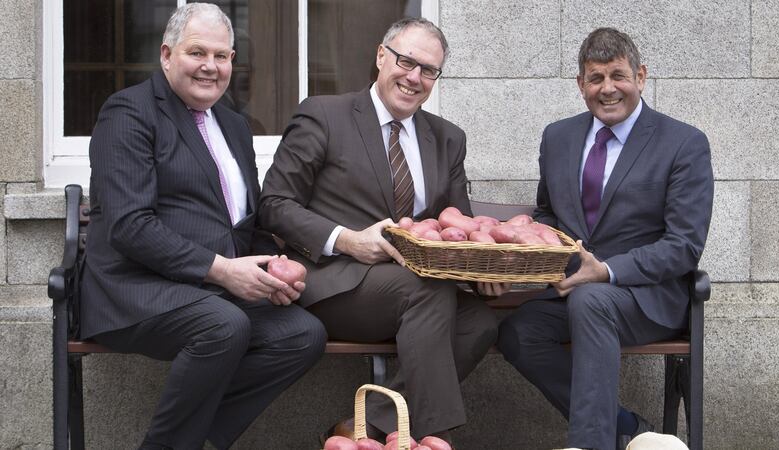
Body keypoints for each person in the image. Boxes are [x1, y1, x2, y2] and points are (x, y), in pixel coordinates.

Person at [79, 4, 326, 449]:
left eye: (223, 55)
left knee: (302, 334)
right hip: (131, 287)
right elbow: (129, 225)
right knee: (223, 325)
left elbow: (241, 224)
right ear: (167, 54)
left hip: (208, 291)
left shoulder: (233, 124)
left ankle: (195, 439)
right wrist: (222, 270)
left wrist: (273, 271)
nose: (211, 67)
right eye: (198, 52)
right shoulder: (128, 112)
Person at [258, 17, 507, 444]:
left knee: (480, 322)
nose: (414, 77)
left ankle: (368, 426)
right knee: (427, 291)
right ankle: (432, 438)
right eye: (406, 61)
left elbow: (458, 225)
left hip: (417, 293)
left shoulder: (447, 138)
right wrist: (348, 239)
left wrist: (482, 269)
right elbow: (274, 205)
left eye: (428, 70)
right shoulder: (324, 114)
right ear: (380, 56)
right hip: (335, 283)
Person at [496, 28, 713, 450]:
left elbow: (684, 244)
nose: (608, 88)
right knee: (519, 332)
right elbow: (548, 213)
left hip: (647, 296)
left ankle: (590, 444)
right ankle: (626, 428)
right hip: (570, 289)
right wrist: (537, 246)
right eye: (596, 78)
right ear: (581, 84)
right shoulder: (557, 137)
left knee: (591, 300)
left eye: (618, 75)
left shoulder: (684, 143)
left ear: (641, 76)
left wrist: (607, 271)